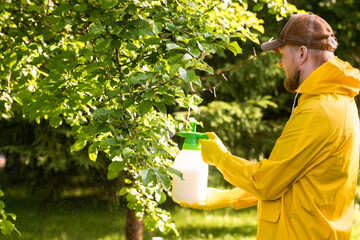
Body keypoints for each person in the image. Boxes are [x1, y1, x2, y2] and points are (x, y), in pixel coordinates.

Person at [180, 13, 360, 239]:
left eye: (282, 54)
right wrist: (225, 198)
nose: (280, 62)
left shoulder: (319, 110)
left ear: (302, 53)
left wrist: (220, 158)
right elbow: (284, 177)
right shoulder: (337, 99)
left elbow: (267, 183)